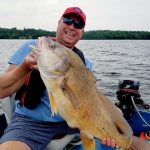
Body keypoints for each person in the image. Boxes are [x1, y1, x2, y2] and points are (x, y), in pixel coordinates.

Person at [0, 7, 119, 150]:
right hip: (31, 123)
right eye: (68, 20)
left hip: (73, 123)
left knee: (117, 122)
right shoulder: (32, 48)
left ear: (82, 31)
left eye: (78, 25)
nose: (72, 26)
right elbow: (2, 90)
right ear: (59, 22)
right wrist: (25, 66)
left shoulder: (85, 63)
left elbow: (91, 101)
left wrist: (108, 128)